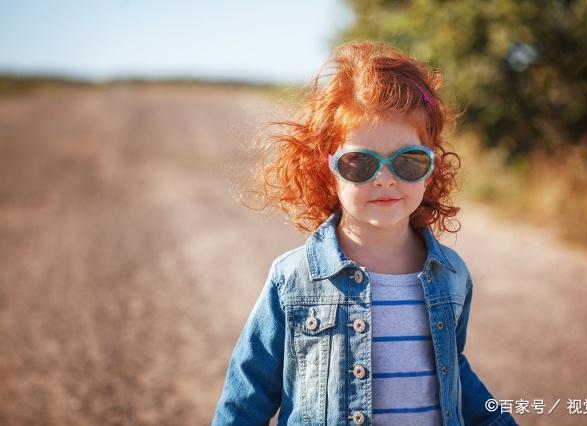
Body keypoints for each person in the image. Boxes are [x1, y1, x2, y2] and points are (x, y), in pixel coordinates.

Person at [212, 40, 518, 425]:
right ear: (329, 170)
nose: (385, 179)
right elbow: (248, 393)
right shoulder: (294, 280)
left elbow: (453, 370)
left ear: (431, 166)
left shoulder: (451, 274)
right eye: (360, 163)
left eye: (408, 161)